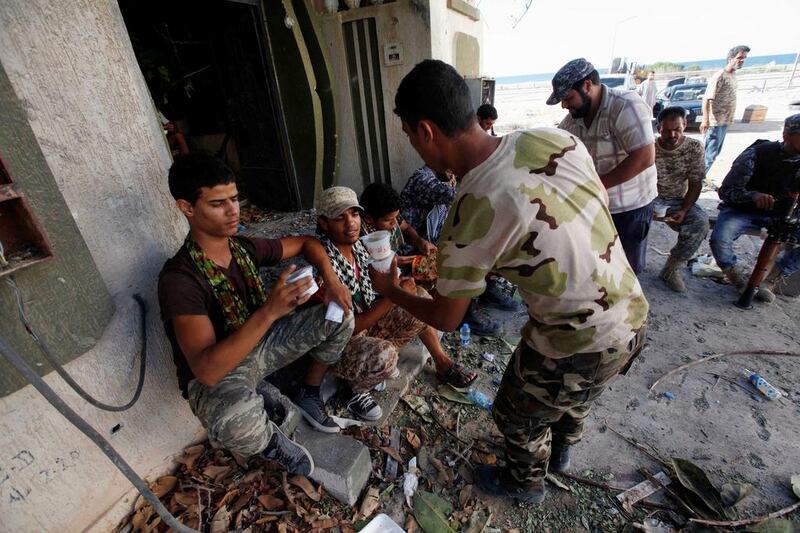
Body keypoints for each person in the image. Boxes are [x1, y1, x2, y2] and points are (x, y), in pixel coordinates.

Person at [370, 59, 649, 504]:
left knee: (514, 414)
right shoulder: (554, 137)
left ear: (425, 131)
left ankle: (525, 484)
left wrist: (389, 289)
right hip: (633, 313)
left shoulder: (473, 207)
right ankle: (561, 454)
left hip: (578, 339)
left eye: (408, 135)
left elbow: (445, 317)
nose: (413, 146)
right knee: (575, 396)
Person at [157, 153, 355, 477]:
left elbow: (307, 243)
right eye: (218, 203)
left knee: (339, 315)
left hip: (263, 343)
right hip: (222, 372)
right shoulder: (180, 279)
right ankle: (271, 444)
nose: (233, 210)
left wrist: (332, 282)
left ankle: (307, 391)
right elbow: (207, 370)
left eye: (235, 199)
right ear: (187, 208)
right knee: (234, 422)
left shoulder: (242, 247)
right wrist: (270, 311)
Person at [314, 187, 477, 420]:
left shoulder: (360, 247)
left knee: (419, 298)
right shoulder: (324, 268)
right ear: (323, 223)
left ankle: (442, 363)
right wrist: (394, 294)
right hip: (339, 345)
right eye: (340, 217)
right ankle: (356, 391)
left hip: (367, 324)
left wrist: (400, 286)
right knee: (385, 355)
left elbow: (375, 289)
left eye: (354, 214)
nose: (351, 223)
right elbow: (347, 331)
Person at [550, 58, 658, 274]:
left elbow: (644, 156)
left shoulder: (625, 104)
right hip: (598, 205)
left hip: (631, 207)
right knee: (598, 266)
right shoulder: (574, 118)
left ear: (587, 85)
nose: (564, 105)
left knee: (626, 268)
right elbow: (557, 147)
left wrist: (597, 185)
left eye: (567, 97)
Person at [398, 168, 514, 336]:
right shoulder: (422, 179)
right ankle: (465, 314)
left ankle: (486, 289)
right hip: (412, 254)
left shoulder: (446, 178)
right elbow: (462, 197)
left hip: (427, 245)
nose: (453, 171)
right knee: (467, 255)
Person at [709, 114, 800, 303]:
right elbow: (726, 191)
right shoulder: (758, 154)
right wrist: (753, 195)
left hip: (782, 215)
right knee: (720, 240)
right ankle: (739, 280)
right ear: (786, 135)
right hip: (743, 210)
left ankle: (771, 278)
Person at [653, 107, 710, 292]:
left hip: (677, 199)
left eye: (677, 129)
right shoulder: (649, 146)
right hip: (647, 198)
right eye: (667, 130)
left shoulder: (694, 148)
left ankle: (671, 269)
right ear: (658, 128)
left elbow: (695, 183)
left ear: (684, 125)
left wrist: (684, 209)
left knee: (700, 223)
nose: (672, 134)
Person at [701, 45, 750, 173]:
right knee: (708, 155)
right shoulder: (720, 76)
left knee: (714, 153)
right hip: (715, 122)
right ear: (730, 58)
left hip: (724, 121)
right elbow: (706, 99)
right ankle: (696, 181)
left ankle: (701, 177)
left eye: (744, 58)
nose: (741, 61)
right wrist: (705, 121)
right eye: (739, 58)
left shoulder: (732, 76)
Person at [359, 182, 437, 256]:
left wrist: (420, 242)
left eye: (396, 217)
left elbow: (405, 228)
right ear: (369, 218)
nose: (395, 222)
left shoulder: (391, 214)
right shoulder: (358, 235)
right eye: (388, 220)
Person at [400, 165, 456, 244]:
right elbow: (453, 196)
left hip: (423, 245)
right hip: (410, 248)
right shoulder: (422, 179)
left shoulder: (439, 180)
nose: (455, 172)